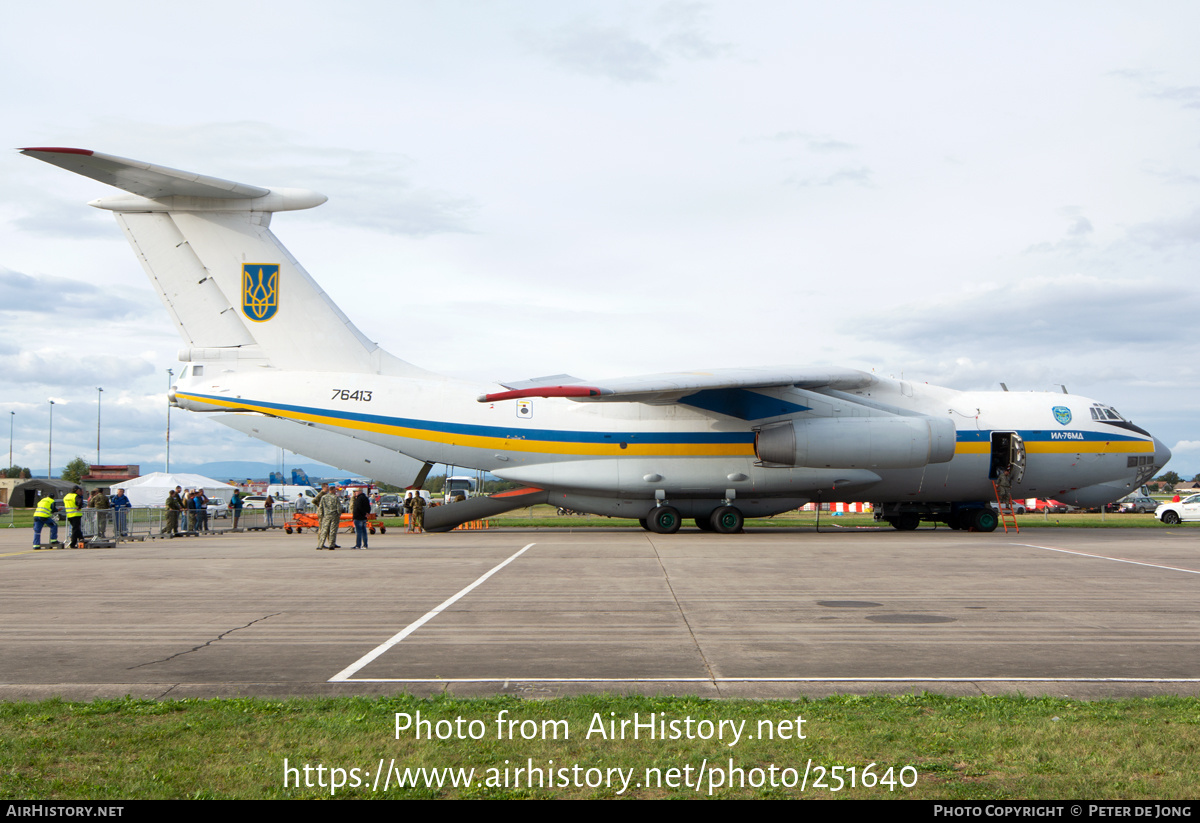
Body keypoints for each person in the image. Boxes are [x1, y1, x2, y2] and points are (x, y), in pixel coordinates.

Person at [315, 484, 341, 550]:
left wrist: (321, 515)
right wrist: (339, 514)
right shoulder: (335, 497)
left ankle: (320, 545)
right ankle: (331, 545)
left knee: (324, 531)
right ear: (332, 490)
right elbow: (339, 508)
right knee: (332, 531)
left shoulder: (324, 497)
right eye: (335, 490)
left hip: (326, 516)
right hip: (334, 516)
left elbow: (321, 507)